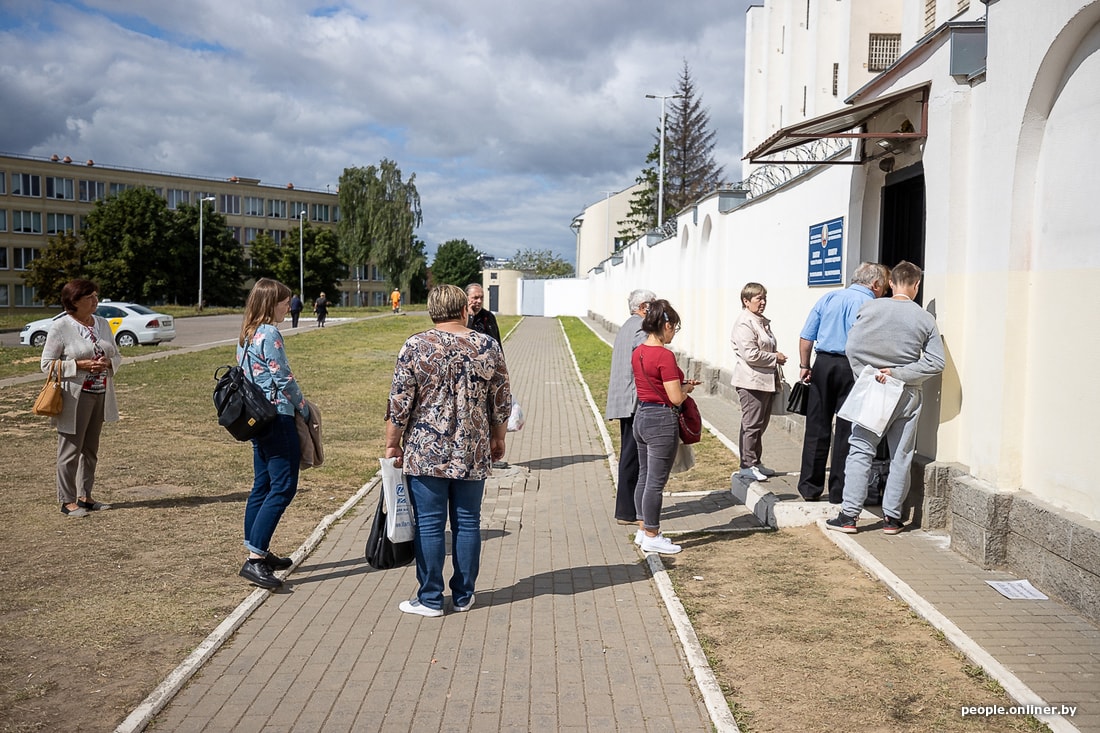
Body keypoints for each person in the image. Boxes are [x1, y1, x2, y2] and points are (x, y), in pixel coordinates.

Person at [386, 284, 511, 617]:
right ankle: (463, 595)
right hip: (472, 446)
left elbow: (400, 402)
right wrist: (499, 438)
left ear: (431, 311)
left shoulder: (416, 345)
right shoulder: (487, 346)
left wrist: (391, 442)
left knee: (429, 524)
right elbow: (501, 400)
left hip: (426, 450)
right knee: (468, 523)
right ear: (464, 309)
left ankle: (429, 599)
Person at [826, 261, 945, 535]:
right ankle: (892, 518)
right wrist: (900, 374)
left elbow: (851, 348)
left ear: (891, 283)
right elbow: (936, 362)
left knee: (860, 450)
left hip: (874, 390)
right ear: (916, 285)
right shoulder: (925, 318)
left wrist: (867, 376)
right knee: (901, 455)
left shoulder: (870, 307)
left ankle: (849, 516)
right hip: (907, 392)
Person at [237, 278, 311, 590]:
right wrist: (304, 406)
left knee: (263, 484)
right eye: (285, 302)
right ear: (271, 303)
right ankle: (255, 560)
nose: (289, 306)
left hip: (257, 417)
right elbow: (282, 376)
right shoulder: (269, 332)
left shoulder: (246, 333)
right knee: (283, 487)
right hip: (278, 415)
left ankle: (258, 548)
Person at [796, 263, 889, 502]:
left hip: (824, 363)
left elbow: (807, 336)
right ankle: (839, 491)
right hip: (853, 367)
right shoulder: (871, 305)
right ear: (875, 283)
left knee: (817, 426)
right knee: (847, 430)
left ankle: (809, 487)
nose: (885, 293)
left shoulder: (829, 297)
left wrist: (805, 366)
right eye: (885, 287)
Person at [40, 279, 122, 518]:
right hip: (73, 397)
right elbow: (46, 364)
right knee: (70, 450)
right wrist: (78, 364)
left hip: (100, 393)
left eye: (96, 296)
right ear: (74, 302)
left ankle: (85, 496)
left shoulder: (102, 324)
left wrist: (108, 363)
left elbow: (116, 354)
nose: (95, 301)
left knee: (90, 449)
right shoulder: (61, 327)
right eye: (89, 298)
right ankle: (67, 501)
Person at [631, 299, 698, 555]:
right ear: (666, 325)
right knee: (655, 483)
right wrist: (688, 388)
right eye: (674, 328)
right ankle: (652, 533)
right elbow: (675, 397)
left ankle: (642, 528)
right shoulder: (665, 355)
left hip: (642, 415)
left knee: (644, 476)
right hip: (661, 420)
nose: (673, 333)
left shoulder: (638, 351)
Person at [605, 288, 655, 524]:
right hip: (634, 400)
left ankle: (628, 510)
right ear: (644, 307)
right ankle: (627, 511)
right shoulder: (641, 328)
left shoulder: (628, 324)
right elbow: (646, 359)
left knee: (631, 454)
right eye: (653, 306)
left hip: (626, 399)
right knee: (633, 456)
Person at [730, 282, 787, 482]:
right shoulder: (745, 322)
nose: (762, 302)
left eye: (764, 298)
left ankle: (756, 461)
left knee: (760, 424)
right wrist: (775, 357)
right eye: (758, 299)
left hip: (765, 380)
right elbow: (750, 354)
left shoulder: (760, 321)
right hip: (750, 381)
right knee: (751, 424)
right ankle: (747, 464)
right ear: (746, 301)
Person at [465, 283, 502, 347]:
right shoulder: (460, 317)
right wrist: (470, 317)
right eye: (475, 298)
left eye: (481, 297)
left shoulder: (488, 316)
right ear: (466, 298)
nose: (479, 301)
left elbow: (497, 341)